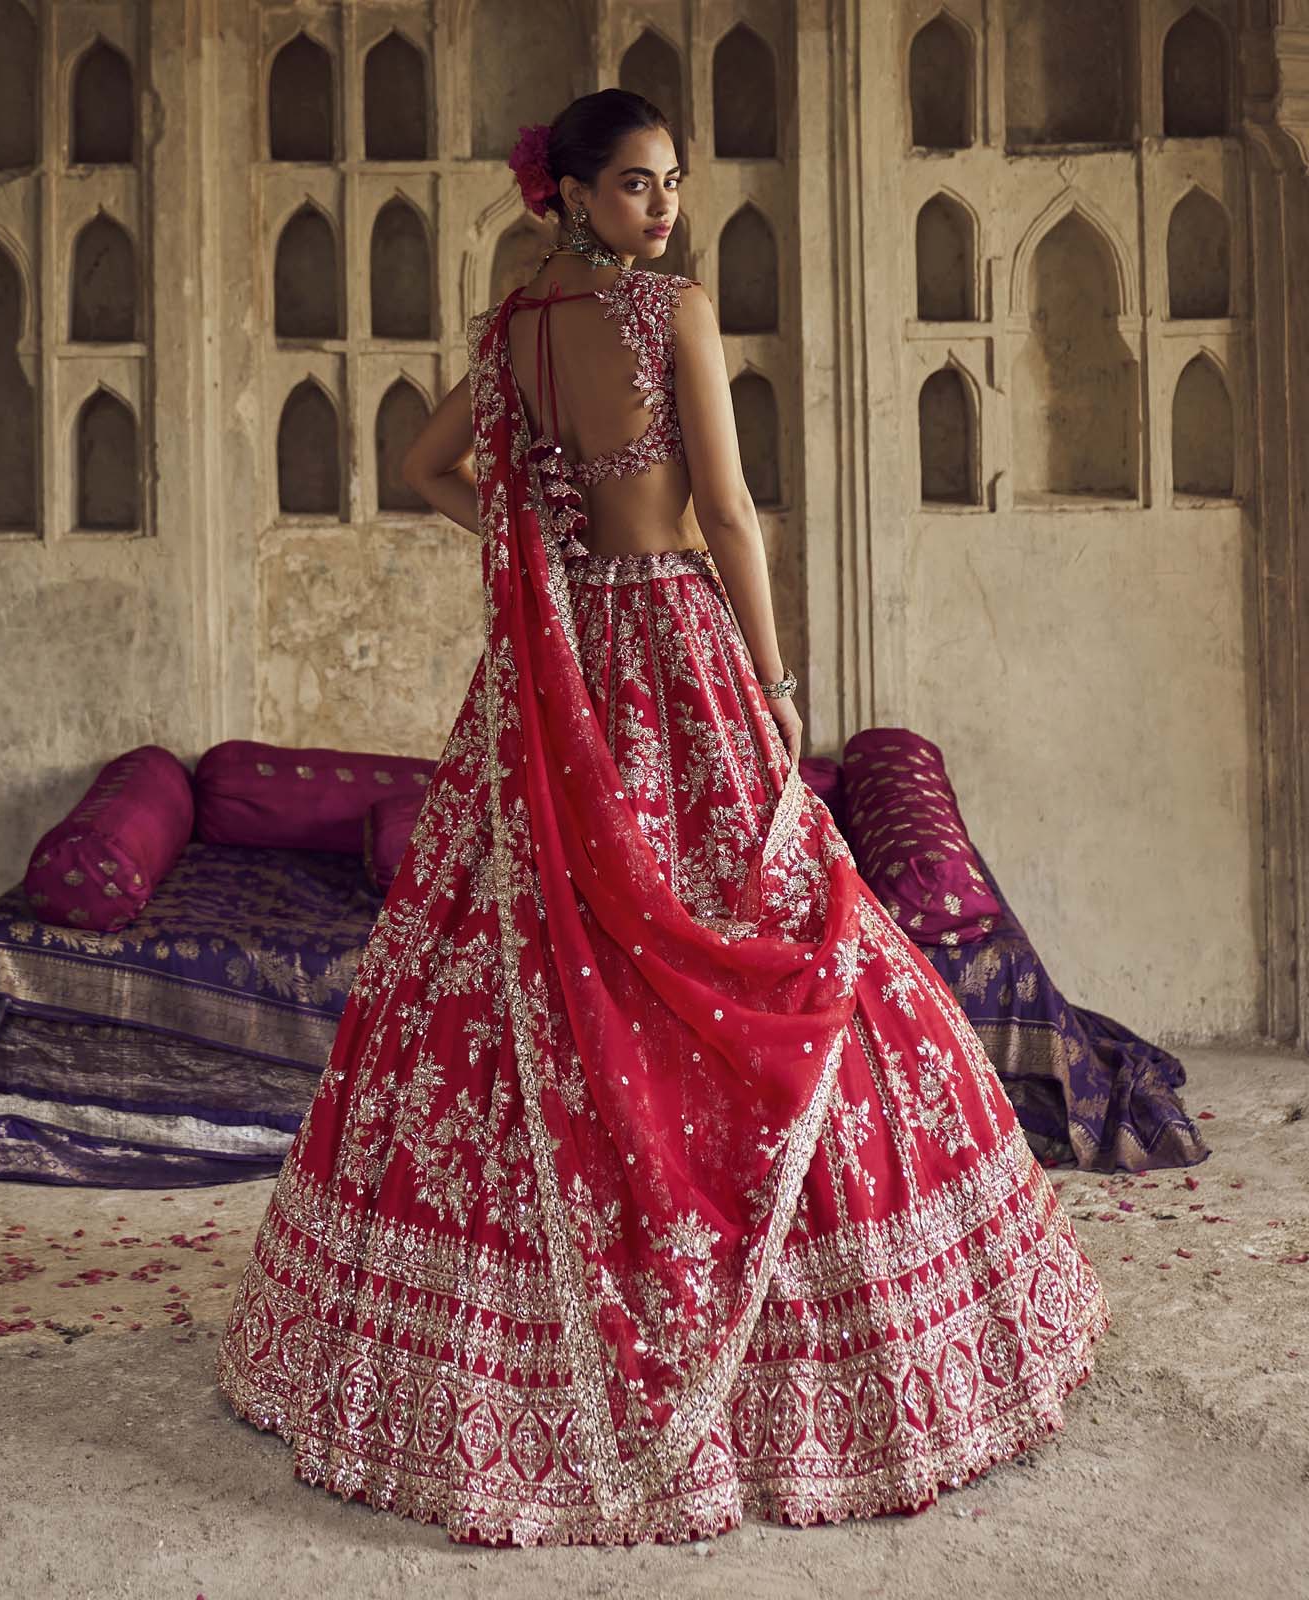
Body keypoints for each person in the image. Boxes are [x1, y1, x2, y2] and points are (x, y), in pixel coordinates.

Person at [215, 88, 1110, 1547]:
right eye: (635, 185)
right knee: (774, 941)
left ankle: (472, 1345)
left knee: (524, 962)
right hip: (674, 655)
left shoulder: (517, 331)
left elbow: (425, 469)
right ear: (566, 194)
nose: (664, 207)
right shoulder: (667, 314)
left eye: (672, 183)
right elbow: (733, 510)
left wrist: (528, 524)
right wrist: (772, 677)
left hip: (556, 670)